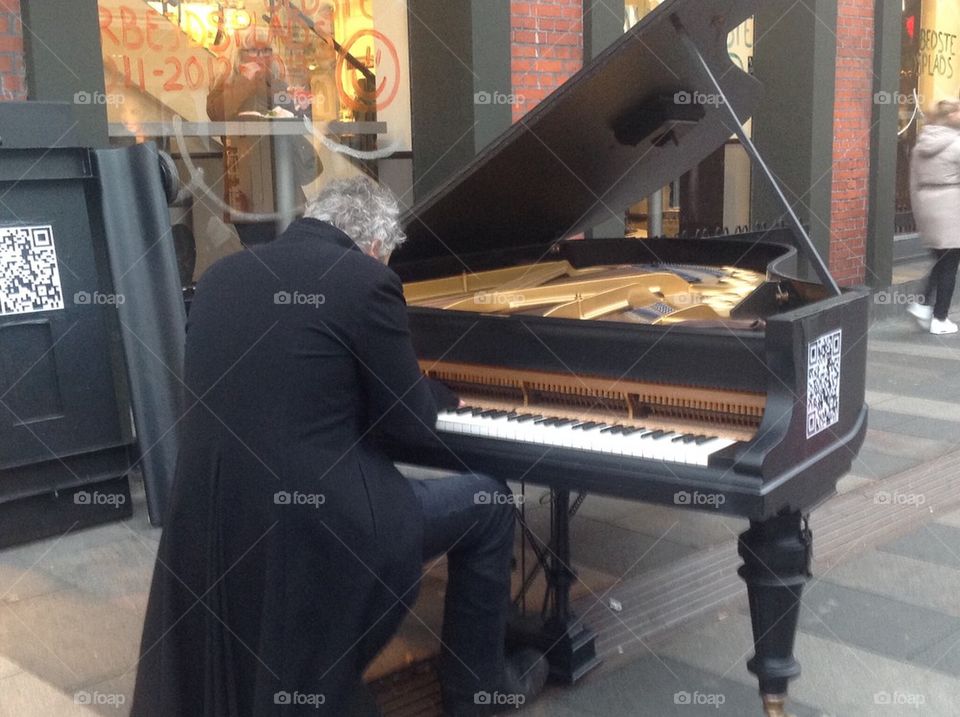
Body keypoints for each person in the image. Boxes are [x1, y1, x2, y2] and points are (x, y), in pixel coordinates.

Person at [130, 176, 548, 716]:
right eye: (389, 257)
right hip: (323, 521)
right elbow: (409, 424)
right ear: (374, 245)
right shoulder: (364, 281)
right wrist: (446, 396)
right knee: (489, 501)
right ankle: (478, 695)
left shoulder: (222, 276)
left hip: (211, 514)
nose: (387, 266)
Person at [207, 25, 321, 246]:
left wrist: (302, 103)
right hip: (247, 191)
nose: (260, 57)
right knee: (257, 254)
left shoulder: (279, 86)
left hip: (285, 188)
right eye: (253, 51)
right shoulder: (225, 85)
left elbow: (305, 125)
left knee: (289, 252)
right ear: (239, 55)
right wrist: (247, 80)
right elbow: (218, 114)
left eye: (266, 50)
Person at [907, 99, 960, 335]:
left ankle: (921, 304)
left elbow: (912, 183)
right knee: (950, 263)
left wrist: (919, 212)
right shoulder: (957, 143)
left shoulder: (921, 144)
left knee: (941, 260)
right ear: (951, 117)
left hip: (928, 208)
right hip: (951, 207)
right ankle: (940, 318)